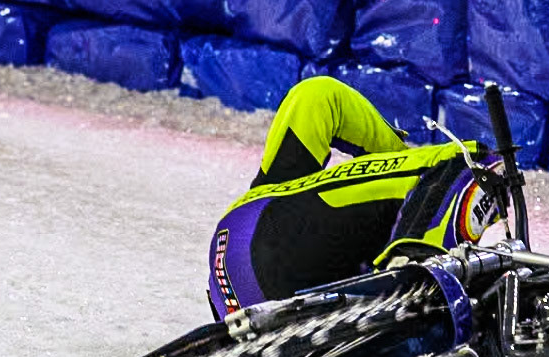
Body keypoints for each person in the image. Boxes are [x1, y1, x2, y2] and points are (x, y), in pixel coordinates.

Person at [207, 75, 505, 319]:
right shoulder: (418, 180)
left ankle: (412, 268)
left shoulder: (365, 197)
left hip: (232, 241)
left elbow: (319, 94)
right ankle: (418, 276)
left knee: (316, 96)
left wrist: (392, 156)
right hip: (280, 249)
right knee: (478, 163)